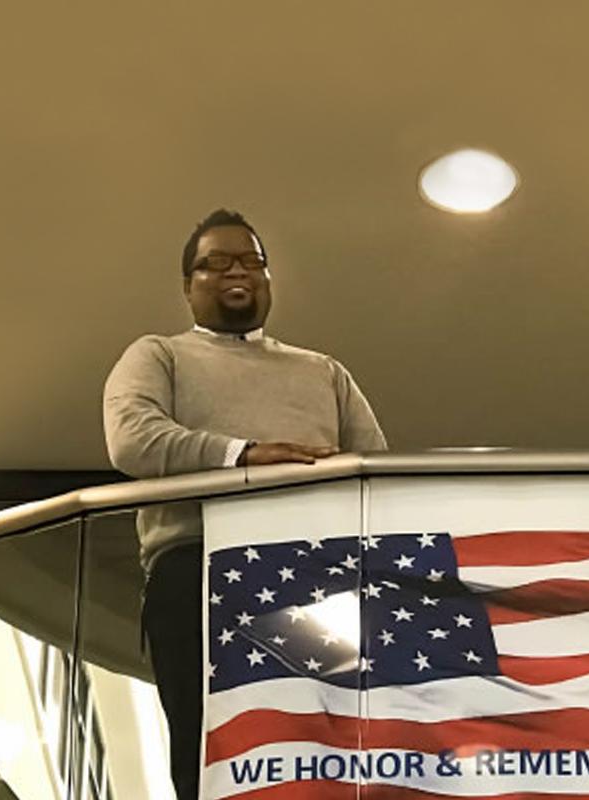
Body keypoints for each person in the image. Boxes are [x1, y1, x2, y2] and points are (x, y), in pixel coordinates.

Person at [103, 208, 387, 797]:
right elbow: (131, 437)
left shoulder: (324, 371)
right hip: (196, 567)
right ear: (188, 286)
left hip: (316, 574)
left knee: (321, 747)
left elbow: (378, 471)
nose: (238, 271)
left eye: (252, 261)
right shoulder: (160, 354)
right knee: (209, 751)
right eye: (217, 262)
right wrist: (244, 456)